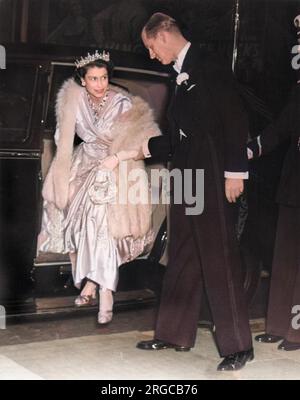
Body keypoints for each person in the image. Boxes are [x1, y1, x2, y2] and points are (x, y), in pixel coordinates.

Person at [135, 13, 254, 371]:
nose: (152, 55)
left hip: (214, 174)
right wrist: (144, 149)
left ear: (165, 36)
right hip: (186, 177)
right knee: (183, 252)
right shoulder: (179, 75)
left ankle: (238, 347)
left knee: (218, 256)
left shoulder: (209, 64)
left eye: (151, 47)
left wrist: (236, 172)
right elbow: (179, 136)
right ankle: (174, 333)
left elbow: (236, 119)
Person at [37, 50, 160, 324]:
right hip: (82, 166)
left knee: (102, 227)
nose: (100, 83)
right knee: (78, 227)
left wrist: (116, 158)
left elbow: (144, 146)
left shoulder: (122, 103)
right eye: (93, 78)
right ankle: (91, 283)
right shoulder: (72, 102)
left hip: (115, 168)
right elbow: (63, 139)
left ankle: (106, 292)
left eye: (103, 77)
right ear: (82, 80)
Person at [248, 83, 300, 351]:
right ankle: (278, 326)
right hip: (294, 183)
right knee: (284, 257)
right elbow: (281, 127)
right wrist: (251, 149)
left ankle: (297, 331)